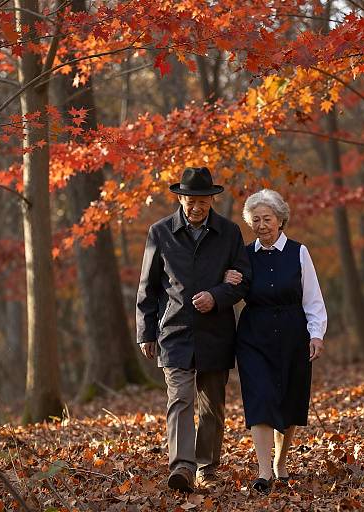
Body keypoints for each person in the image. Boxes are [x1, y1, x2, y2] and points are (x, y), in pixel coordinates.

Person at [136, 167, 251, 493]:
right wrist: (145, 332)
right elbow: (147, 287)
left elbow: (245, 281)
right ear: (180, 198)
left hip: (216, 332)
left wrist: (216, 296)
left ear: (212, 199)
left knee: (211, 405)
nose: (197, 206)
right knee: (180, 400)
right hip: (175, 331)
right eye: (190, 199)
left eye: (203, 200)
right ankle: (182, 468)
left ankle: (207, 468)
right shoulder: (160, 232)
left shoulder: (229, 233)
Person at [224, 189, 327, 493]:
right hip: (254, 335)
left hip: (293, 333)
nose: (261, 225)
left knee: (289, 400)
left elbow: (313, 298)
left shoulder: (299, 252)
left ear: (281, 220)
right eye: (255, 220)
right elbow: (235, 289)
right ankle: (263, 470)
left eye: (267, 218)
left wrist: (316, 334)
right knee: (261, 399)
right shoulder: (244, 254)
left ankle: (281, 462)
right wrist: (228, 280)